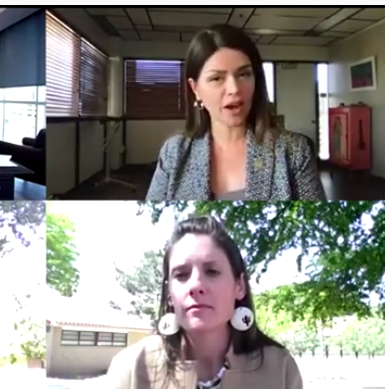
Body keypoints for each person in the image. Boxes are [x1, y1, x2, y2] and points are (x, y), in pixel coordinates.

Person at [106, 215, 302, 389]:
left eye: (212, 272)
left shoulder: (280, 369)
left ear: (239, 285)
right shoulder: (131, 367)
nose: (196, 285)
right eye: (181, 275)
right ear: (169, 293)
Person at [146, 24, 326, 201]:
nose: (234, 89)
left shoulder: (293, 151)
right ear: (195, 88)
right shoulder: (174, 153)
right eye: (217, 78)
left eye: (244, 74)